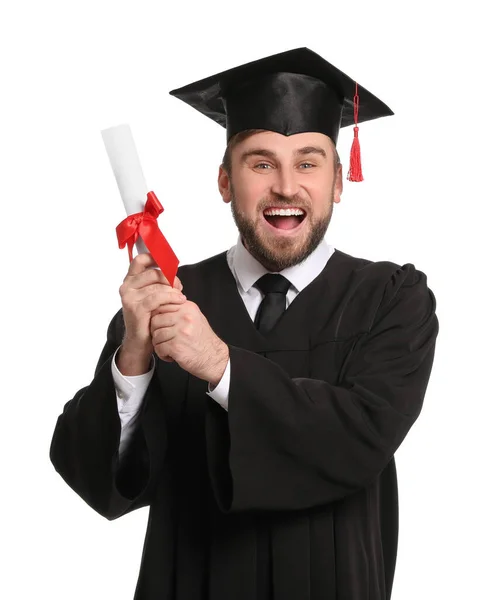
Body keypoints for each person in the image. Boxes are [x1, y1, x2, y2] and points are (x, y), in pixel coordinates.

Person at [50, 47, 440, 600]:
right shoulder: (170, 299)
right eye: (261, 163)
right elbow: (101, 486)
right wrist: (133, 357)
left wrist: (218, 364)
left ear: (337, 183)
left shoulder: (391, 300)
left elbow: (359, 436)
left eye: (308, 162)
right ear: (225, 181)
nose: (285, 187)